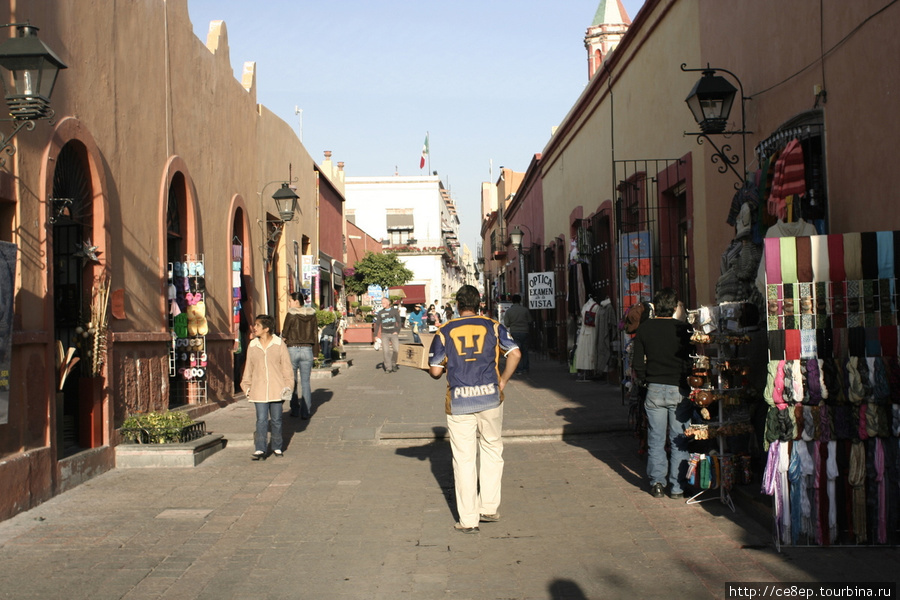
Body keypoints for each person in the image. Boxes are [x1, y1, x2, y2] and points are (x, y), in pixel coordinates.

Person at [428, 285, 521, 533]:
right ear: (480, 303)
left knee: (464, 458)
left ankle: (468, 520)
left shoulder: (444, 330)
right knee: (492, 448)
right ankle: (489, 507)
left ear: (458, 306)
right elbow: (515, 354)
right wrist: (503, 381)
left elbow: (436, 371)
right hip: (490, 396)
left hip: (459, 400)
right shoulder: (493, 325)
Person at [631, 287, 694, 499]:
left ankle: (657, 482)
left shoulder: (645, 329)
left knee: (656, 439)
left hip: (654, 388)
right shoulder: (683, 329)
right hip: (678, 388)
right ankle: (678, 486)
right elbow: (689, 360)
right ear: (675, 307)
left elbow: (637, 362)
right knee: (679, 439)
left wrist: (643, 379)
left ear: (655, 307)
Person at [241, 314, 294, 460]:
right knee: (261, 419)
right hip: (258, 390)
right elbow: (249, 368)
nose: (254, 328)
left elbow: (287, 367)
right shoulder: (252, 345)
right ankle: (260, 448)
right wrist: (246, 386)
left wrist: (288, 386)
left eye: (257, 325)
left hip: (277, 389)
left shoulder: (279, 344)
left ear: (266, 328)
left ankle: (277, 446)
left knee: (276, 420)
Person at [281, 292, 319, 419]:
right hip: (307, 350)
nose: (289, 303)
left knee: (292, 381)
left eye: (290, 300)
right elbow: (315, 334)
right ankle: (306, 411)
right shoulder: (312, 314)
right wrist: (315, 352)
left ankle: (295, 409)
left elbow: (285, 333)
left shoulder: (291, 314)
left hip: (292, 349)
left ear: (296, 302)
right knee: (306, 382)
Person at [502, 294, 532, 375]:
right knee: (525, 351)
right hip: (525, 331)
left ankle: (519, 369)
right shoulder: (525, 310)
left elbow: (506, 323)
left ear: (512, 301)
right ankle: (525, 368)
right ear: (520, 300)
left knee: (517, 351)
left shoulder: (509, 311)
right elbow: (530, 320)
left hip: (514, 332)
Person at [373, 297, 401, 372]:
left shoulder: (394, 311)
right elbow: (377, 324)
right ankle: (388, 367)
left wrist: (397, 331)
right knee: (386, 351)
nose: (383, 304)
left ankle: (394, 363)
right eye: (382, 303)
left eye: (384, 302)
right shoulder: (381, 313)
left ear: (388, 303)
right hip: (384, 333)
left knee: (396, 350)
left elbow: (399, 321)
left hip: (393, 333)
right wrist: (375, 335)